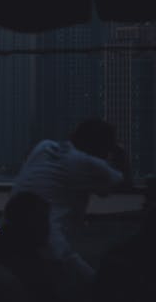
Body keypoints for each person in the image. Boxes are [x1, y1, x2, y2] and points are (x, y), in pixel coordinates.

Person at [9, 119, 130, 283]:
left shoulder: (43, 147)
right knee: (95, 286)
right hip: (52, 248)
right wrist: (120, 153)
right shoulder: (85, 162)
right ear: (99, 146)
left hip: (10, 237)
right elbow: (124, 184)